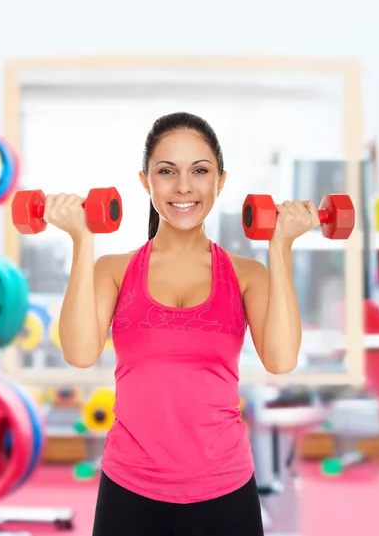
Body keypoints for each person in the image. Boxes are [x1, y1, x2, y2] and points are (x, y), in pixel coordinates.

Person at [45, 112, 320, 536]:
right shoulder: (113, 270)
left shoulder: (247, 274)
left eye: (200, 171)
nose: (184, 187)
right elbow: (80, 353)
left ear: (220, 181)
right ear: (146, 182)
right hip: (129, 488)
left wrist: (280, 247)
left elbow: (281, 359)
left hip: (225, 487)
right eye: (167, 172)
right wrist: (83, 239)